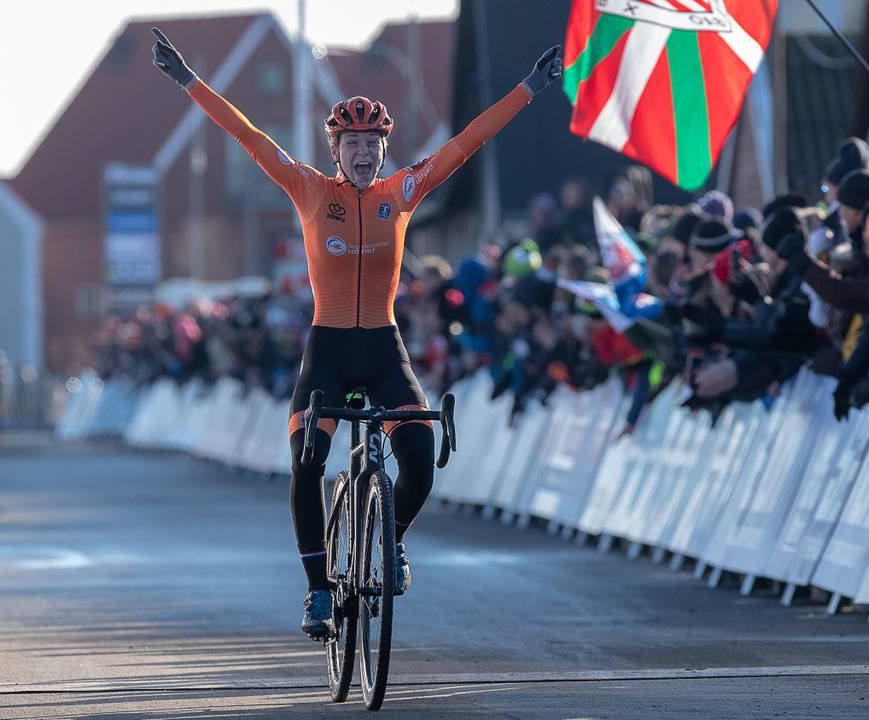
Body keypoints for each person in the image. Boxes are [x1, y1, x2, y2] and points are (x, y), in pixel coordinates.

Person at [151, 26, 564, 638]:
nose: (366, 154)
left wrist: (530, 87)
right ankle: (319, 592)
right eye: (354, 144)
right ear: (336, 149)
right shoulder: (311, 192)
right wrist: (186, 78)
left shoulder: (404, 192)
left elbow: (467, 142)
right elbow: (248, 136)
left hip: (382, 348)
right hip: (329, 353)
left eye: (374, 143)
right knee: (307, 461)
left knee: (420, 461)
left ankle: (389, 541)